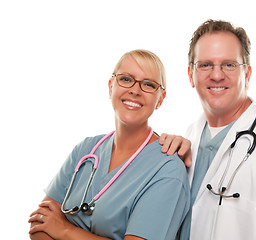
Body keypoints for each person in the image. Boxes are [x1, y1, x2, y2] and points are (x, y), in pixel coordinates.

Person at [28, 49, 190, 240]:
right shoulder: (86, 150)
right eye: (126, 79)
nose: (135, 90)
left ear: (160, 99)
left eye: (148, 84)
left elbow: (53, 226)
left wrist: (64, 230)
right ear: (110, 86)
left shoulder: (167, 170)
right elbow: (39, 225)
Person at [164, 19, 256, 240]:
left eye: (229, 64)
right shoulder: (190, 135)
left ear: (247, 74)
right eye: (205, 65)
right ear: (191, 75)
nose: (217, 75)